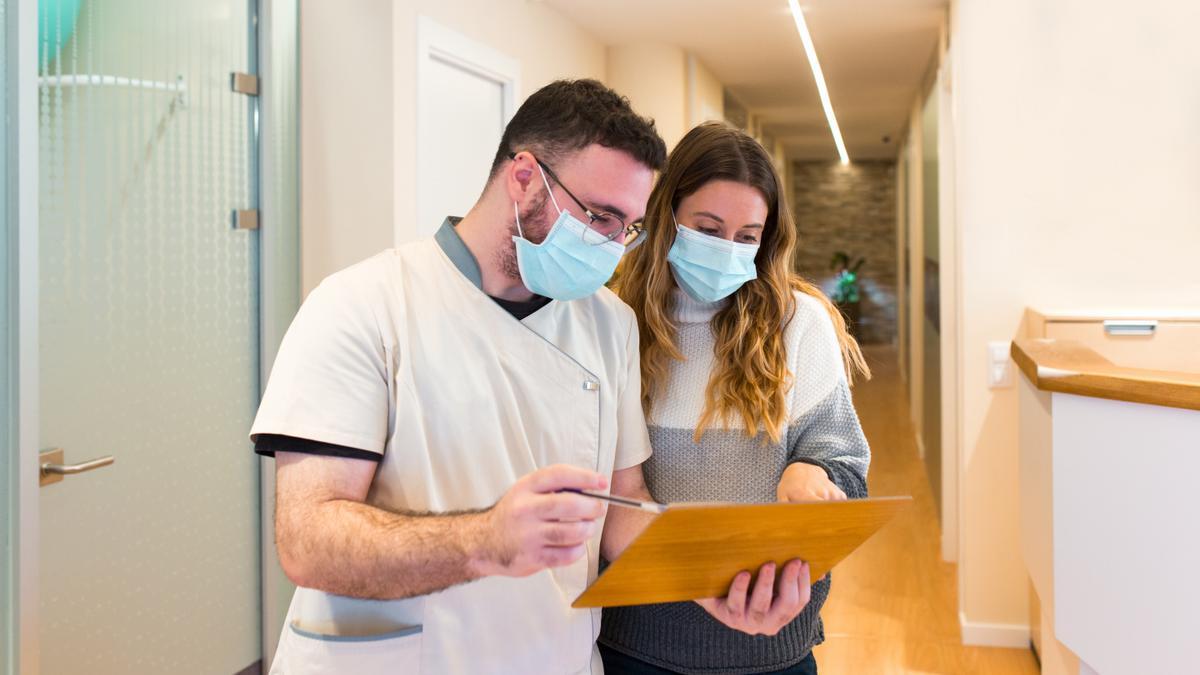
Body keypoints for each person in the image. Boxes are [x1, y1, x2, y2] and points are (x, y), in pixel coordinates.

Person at [249, 79, 669, 674]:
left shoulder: (611, 324)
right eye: (599, 216)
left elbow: (623, 502)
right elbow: (308, 538)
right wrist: (485, 541)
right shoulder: (363, 304)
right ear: (524, 177)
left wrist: (716, 576)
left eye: (626, 227)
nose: (610, 247)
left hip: (554, 658)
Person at [600, 121, 873, 675]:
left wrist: (812, 472)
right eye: (707, 227)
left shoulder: (799, 323)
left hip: (770, 646)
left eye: (747, 236)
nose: (728, 250)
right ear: (665, 217)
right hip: (635, 641)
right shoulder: (613, 320)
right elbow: (606, 486)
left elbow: (846, 466)